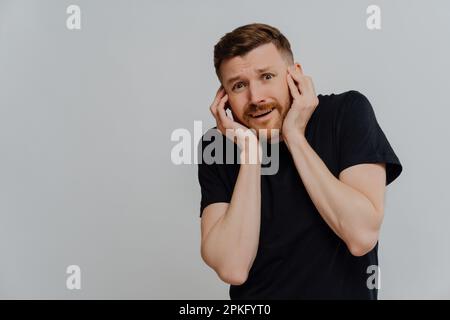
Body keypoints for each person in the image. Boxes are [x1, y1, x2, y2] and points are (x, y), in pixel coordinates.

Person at [197, 23, 403, 299]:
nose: (255, 97)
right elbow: (232, 267)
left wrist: (294, 136)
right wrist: (250, 155)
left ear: (294, 76)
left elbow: (361, 236)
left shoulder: (346, 113)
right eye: (239, 85)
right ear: (224, 98)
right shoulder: (219, 145)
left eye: (267, 76)